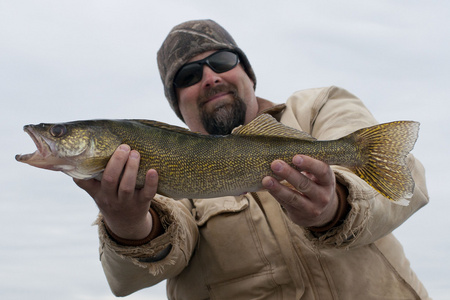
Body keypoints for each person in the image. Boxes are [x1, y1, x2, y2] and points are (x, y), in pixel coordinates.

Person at [75, 19, 430, 299]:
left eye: (222, 61)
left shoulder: (318, 107)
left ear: (247, 72)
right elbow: (127, 281)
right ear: (177, 103)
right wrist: (128, 227)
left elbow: (407, 183)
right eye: (189, 76)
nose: (211, 77)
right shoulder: (154, 169)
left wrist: (335, 206)